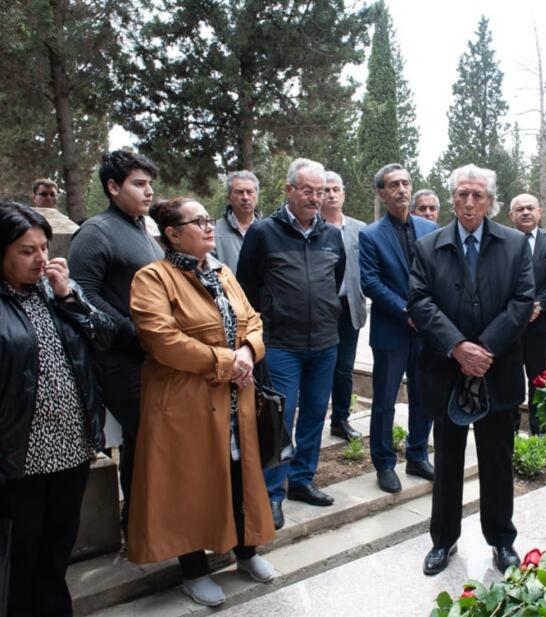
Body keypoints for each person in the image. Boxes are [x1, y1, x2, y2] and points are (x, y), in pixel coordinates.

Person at [0, 201, 115, 616]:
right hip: (13, 457)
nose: (40, 259)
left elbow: (106, 338)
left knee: (56, 551)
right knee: (18, 556)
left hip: (70, 449)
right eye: (26, 251)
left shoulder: (55, 292)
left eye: (43, 248)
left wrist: (70, 296)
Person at [127, 197, 275, 607]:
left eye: (209, 219)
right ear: (173, 235)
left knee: (238, 472)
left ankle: (246, 551)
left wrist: (248, 350)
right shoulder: (153, 278)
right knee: (188, 483)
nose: (209, 226)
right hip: (184, 401)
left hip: (235, 396)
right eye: (198, 222)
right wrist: (228, 362)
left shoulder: (222, 272)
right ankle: (193, 570)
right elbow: (162, 340)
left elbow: (254, 320)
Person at [409, 164, 534, 575]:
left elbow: (523, 301)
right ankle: (443, 541)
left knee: (497, 461)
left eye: (477, 195)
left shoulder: (515, 244)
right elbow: (420, 302)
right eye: (462, 194)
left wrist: (485, 348)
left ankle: (502, 541)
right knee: (447, 462)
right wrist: (459, 347)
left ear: (490, 202)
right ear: (452, 199)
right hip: (446, 369)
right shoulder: (429, 246)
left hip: (497, 369)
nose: (468, 202)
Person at [236, 158, 345, 531]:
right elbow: (246, 288)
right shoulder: (263, 233)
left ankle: (301, 480)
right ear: (289, 190)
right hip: (281, 344)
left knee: (315, 414)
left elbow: (336, 279)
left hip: (325, 343)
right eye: (308, 190)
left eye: (320, 191)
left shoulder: (332, 235)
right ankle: (272, 493)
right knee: (279, 418)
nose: (315, 198)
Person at [68, 150, 164, 530]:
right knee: (149, 438)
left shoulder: (144, 230)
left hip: (153, 357)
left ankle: (142, 521)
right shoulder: (96, 232)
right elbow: (82, 294)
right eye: (139, 184)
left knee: (145, 443)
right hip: (120, 361)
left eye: (150, 183)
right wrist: (130, 331)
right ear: (112, 186)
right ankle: (141, 523)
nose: (149, 191)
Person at [360, 164, 438, 493]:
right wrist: (407, 312)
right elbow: (371, 283)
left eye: (405, 182)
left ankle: (418, 455)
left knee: (424, 396)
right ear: (382, 193)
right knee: (385, 401)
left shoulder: (430, 229)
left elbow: (440, 274)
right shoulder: (370, 235)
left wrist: (428, 313)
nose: (402, 189)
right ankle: (384, 463)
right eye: (393, 185)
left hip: (426, 331)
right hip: (391, 330)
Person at [507, 193, 546, 434]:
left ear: (539, 212)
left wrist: (538, 305)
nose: (525, 212)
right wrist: (517, 309)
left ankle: (538, 432)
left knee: (539, 378)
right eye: (519, 209)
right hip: (510, 323)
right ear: (511, 215)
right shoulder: (502, 242)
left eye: (530, 208)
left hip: (542, 322)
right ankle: (509, 430)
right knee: (510, 377)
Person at [321, 171, 367, 442]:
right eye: (326, 189)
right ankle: (313, 417)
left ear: (343, 194)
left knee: (344, 367)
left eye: (335, 189)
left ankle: (340, 419)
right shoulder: (312, 228)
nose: (331, 194)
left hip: (350, 307)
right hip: (320, 310)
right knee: (319, 366)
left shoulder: (360, 229)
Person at [214, 170, 261, 272]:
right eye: (239, 192)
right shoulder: (213, 232)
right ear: (229, 197)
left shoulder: (269, 231)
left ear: (257, 196)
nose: (245, 197)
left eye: (250, 192)